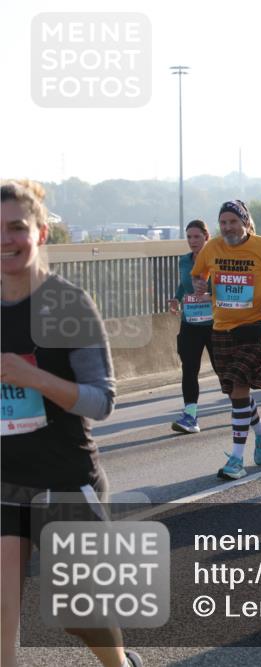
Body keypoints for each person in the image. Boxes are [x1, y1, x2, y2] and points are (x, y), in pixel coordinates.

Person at [1, 180, 143, 667]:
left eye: (17, 227)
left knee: (80, 613)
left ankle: (120, 664)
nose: (6, 239)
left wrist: (32, 378)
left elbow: (102, 401)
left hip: (63, 480)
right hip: (4, 482)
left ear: (40, 232)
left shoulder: (67, 304)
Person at [191, 199, 261, 480]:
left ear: (245, 223)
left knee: (239, 387)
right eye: (223, 223)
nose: (228, 227)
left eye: (233, 222)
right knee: (237, 392)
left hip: (254, 326)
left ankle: (236, 459)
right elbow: (199, 274)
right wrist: (200, 284)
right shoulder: (212, 248)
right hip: (222, 328)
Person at [167, 219, 217, 433]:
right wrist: (177, 298)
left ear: (207, 237)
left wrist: (209, 291)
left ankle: (244, 409)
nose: (192, 241)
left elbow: (227, 286)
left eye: (197, 237)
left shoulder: (217, 259)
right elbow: (183, 284)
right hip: (190, 322)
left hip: (215, 324)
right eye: (189, 237)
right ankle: (190, 416)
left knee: (222, 369)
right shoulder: (184, 261)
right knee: (189, 369)